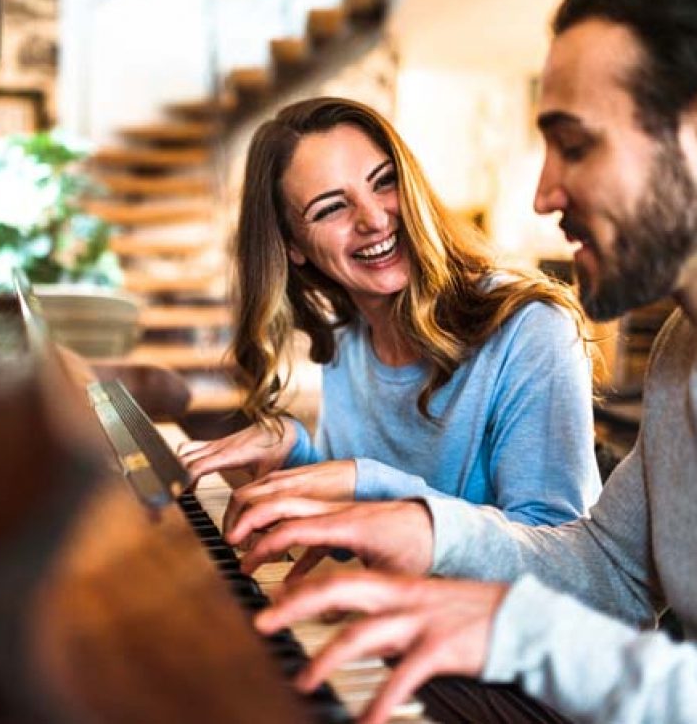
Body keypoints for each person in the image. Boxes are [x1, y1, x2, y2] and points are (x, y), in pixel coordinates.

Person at [229, 0, 697, 722]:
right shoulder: (682, 349)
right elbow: (610, 570)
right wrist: (422, 526)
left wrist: (398, 506)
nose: (543, 195)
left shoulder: (534, 331)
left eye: (574, 145)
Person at [179, 96, 601, 529]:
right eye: (331, 207)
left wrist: (366, 481)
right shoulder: (348, 339)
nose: (374, 219)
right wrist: (296, 452)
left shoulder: (531, 329)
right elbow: (359, 531)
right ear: (293, 247)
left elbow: (555, 548)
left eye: (383, 182)